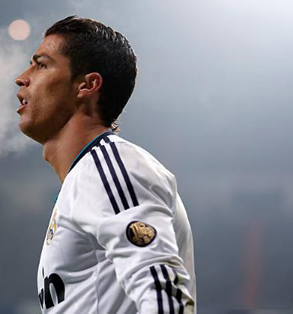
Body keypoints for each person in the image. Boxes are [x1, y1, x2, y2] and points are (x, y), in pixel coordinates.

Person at [14, 15, 196, 313]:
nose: (22, 76)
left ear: (87, 85)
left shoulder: (111, 168)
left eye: (42, 64)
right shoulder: (87, 176)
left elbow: (166, 299)